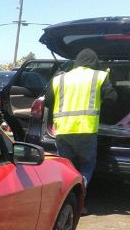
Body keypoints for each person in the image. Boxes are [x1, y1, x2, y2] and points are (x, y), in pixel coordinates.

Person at [44, 48, 117, 190]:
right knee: (87, 165)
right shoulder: (100, 76)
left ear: (76, 62)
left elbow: (47, 101)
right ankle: (79, 197)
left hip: (63, 130)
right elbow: (112, 99)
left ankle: (67, 198)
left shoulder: (60, 78)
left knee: (66, 168)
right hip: (86, 129)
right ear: (95, 63)